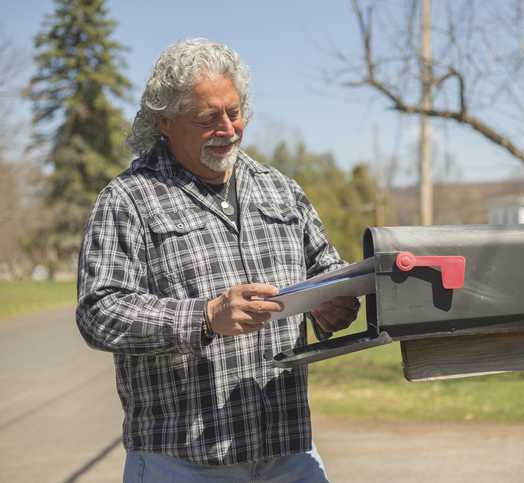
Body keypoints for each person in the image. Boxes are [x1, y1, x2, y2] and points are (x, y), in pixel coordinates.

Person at [76, 38, 360, 482]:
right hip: (181, 464)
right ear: (164, 120)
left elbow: (326, 270)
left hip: (290, 455)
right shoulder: (128, 199)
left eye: (234, 112)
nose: (227, 129)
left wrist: (334, 306)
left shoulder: (281, 189)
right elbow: (99, 312)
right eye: (208, 118)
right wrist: (205, 316)